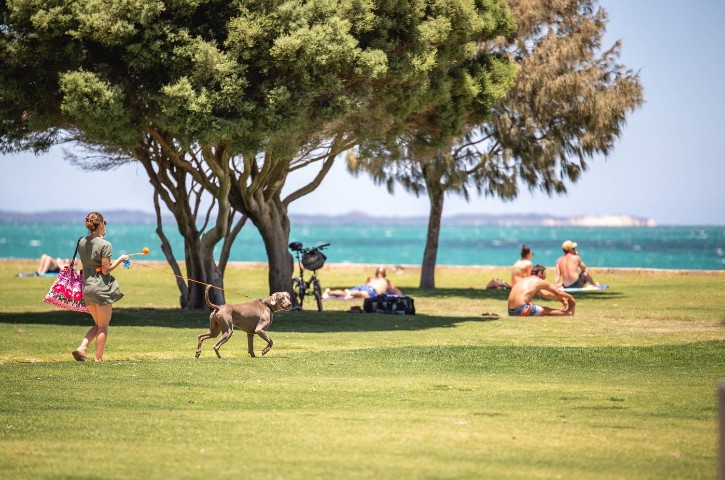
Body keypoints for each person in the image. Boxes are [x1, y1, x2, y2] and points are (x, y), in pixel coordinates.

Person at [71, 212, 129, 362]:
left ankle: (82, 348)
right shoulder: (105, 245)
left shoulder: (81, 241)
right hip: (101, 287)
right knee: (103, 326)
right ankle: (98, 359)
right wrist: (121, 259)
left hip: (87, 287)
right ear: (101, 224)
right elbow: (105, 269)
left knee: (98, 324)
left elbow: (91, 255)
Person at [508, 264, 575, 316]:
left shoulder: (525, 279)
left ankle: (565, 312)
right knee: (545, 310)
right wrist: (570, 297)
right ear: (540, 273)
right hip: (521, 310)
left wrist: (561, 299)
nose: (545, 277)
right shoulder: (539, 280)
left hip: (511, 312)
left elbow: (546, 294)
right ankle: (568, 313)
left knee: (542, 309)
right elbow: (558, 292)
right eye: (545, 274)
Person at [323, 266, 400, 299]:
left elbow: (365, 285)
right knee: (362, 293)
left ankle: (329, 292)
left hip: (364, 286)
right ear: (384, 274)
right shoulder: (387, 281)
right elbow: (397, 292)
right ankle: (351, 293)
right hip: (372, 290)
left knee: (345, 293)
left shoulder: (371, 279)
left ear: (376, 274)